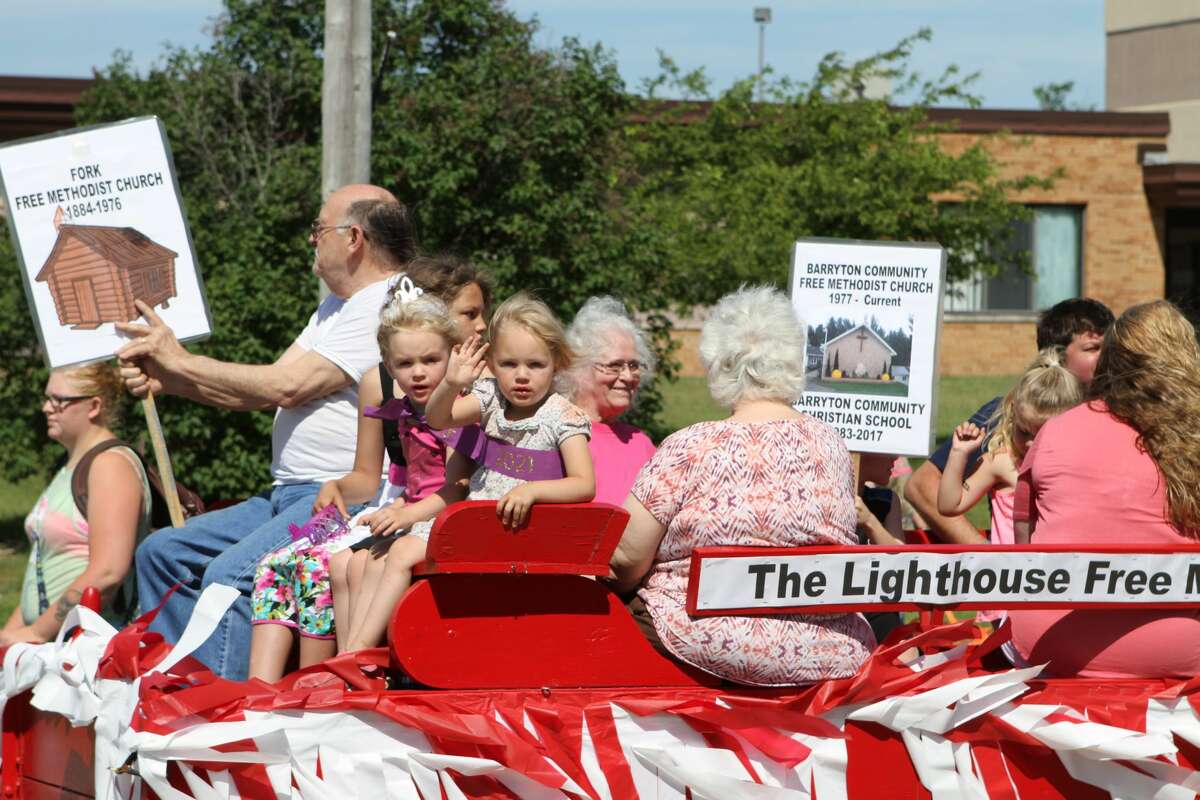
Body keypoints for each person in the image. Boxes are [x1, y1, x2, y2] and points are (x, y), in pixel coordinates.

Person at [117, 184, 417, 680]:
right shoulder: (336, 308)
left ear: (354, 238)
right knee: (162, 552)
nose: (311, 241)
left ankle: (225, 718)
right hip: (286, 497)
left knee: (229, 577)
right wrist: (168, 379)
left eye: (318, 229)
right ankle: (174, 686)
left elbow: (289, 386)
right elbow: (260, 389)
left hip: (339, 505)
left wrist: (179, 361)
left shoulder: (386, 304)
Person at [610, 286, 875, 686]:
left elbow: (625, 559)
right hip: (825, 648)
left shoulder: (691, 446)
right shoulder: (830, 444)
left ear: (719, 365)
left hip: (706, 644)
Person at [341, 292, 596, 652]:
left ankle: (359, 653)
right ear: (492, 362)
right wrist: (450, 382)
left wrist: (533, 491)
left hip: (511, 531)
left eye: (535, 365)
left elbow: (584, 485)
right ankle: (354, 652)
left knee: (398, 555)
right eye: (508, 364)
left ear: (556, 362)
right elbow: (440, 418)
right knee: (376, 556)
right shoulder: (491, 400)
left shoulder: (561, 416)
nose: (521, 376)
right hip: (473, 520)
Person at [249, 293, 472, 680]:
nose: (417, 372)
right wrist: (335, 487)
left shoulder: (454, 408)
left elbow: (454, 485)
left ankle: (328, 674)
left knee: (319, 566)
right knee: (274, 564)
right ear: (390, 365)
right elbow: (369, 477)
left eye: (429, 360)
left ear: (451, 355)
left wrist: (401, 511)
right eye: (405, 363)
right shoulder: (396, 403)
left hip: (421, 515)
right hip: (391, 507)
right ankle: (262, 687)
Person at [1010, 301, 1200, 678]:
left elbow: (1024, 543)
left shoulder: (1056, 430)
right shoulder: (1193, 435)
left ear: (1110, 360)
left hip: (1047, 642)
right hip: (1178, 647)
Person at [905, 298, 1113, 544]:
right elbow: (923, 487)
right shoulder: (1007, 412)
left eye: (1109, 347)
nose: (1107, 358)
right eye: (1093, 348)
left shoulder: (1115, 418)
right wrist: (991, 559)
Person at [2, 362, 151, 646]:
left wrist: (35, 634)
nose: (47, 408)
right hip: (54, 645)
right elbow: (42, 567)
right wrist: (12, 636)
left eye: (58, 400)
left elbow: (108, 571)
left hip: (90, 651)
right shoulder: (70, 466)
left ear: (94, 406)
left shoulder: (110, 465)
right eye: (47, 398)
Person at [937, 347, 1083, 549]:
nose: (1031, 443)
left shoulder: (1078, 465)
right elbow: (949, 505)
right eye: (1024, 432)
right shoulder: (1001, 462)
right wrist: (959, 453)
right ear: (1013, 414)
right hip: (1012, 575)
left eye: (1042, 435)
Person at [561, 296, 658, 504]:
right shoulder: (557, 432)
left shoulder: (641, 443)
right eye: (615, 366)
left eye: (633, 365)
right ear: (579, 369)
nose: (628, 376)